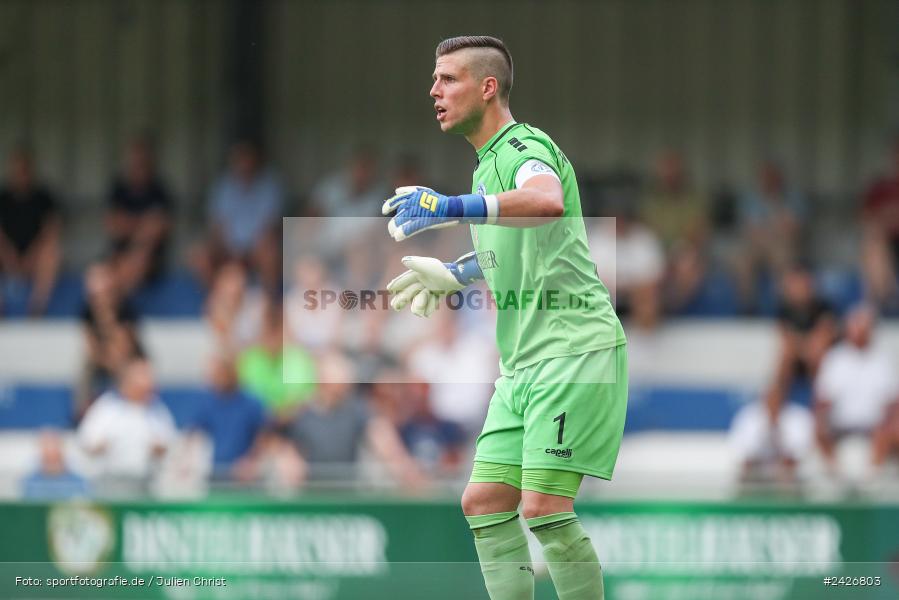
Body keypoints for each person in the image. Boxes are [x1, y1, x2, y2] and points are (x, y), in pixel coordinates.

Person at [381, 36, 627, 600]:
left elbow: (546, 202)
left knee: (543, 507)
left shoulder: (523, 146)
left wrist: (446, 206)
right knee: (484, 500)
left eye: (448, 79)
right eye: (435, 79)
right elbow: (517, 252)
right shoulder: (487, 169)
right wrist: (457, 272)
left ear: (487, 87)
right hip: (522, 366)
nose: (433, 90)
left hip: (573, 350)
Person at [814, 304, 898, 478]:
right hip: (840, 427)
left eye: (864, 325)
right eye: (856, 324)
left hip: (875, 429)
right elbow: (822, 400)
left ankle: (871, 481)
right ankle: (838, 476)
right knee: (818, 429)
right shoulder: (835, 359)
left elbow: (893, 403)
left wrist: (887, 422)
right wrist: (824, 418)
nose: (859, 330)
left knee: (892, 429)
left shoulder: (882, 361)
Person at [192, 139, 283, 292]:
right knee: (198, 254)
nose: (244, 162)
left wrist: (247, 252)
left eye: (247, 156)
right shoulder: (223, 185)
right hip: (228, 248)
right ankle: (216, 298)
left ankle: (268, 302)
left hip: (256, 248)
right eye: (239, 157)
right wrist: (230, 250)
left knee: (270, 253)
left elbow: (270, 227)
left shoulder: (270, 185)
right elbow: (216, 225)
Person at [77, 356, 176, 495]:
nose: (150, 381)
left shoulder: (157, 409)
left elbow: (169, 444)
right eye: (143, 375)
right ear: (128, 380)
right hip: (111, 481)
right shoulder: (107, 407)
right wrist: (102, 446)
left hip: (145, 482)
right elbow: (87, 442)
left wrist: (158, 449)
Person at [105, 135, 174, 293]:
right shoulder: (119, 188)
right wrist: (143, 225)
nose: (138, 163)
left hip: (152, 260)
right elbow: (112, 225)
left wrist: (131, 226)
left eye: (142, 159)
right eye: (134, 159)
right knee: (104, 269)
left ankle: (121, 306)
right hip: (119, 255)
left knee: (139, 257)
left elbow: (161, 228)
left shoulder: (159, 190)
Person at [0, 146, 61, 316]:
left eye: (24, 169)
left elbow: (51, 232)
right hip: (7, 259)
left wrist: (30, 257)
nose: (20, 174)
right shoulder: (3, 197)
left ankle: (36, 309)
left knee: (52, 254)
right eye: (16, 169)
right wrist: (10, 258)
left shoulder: (44, 197)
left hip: (35, 258)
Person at [860, 138, 899, 310]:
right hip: (886, 241)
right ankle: (882, 304)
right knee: (873, 242)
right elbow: (864, 218)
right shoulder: (880, 187)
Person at [21, 430, 90, 500]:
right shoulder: (30, 483)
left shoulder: (78, 483)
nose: (51, 453)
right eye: (47, 457)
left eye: (55, 457)